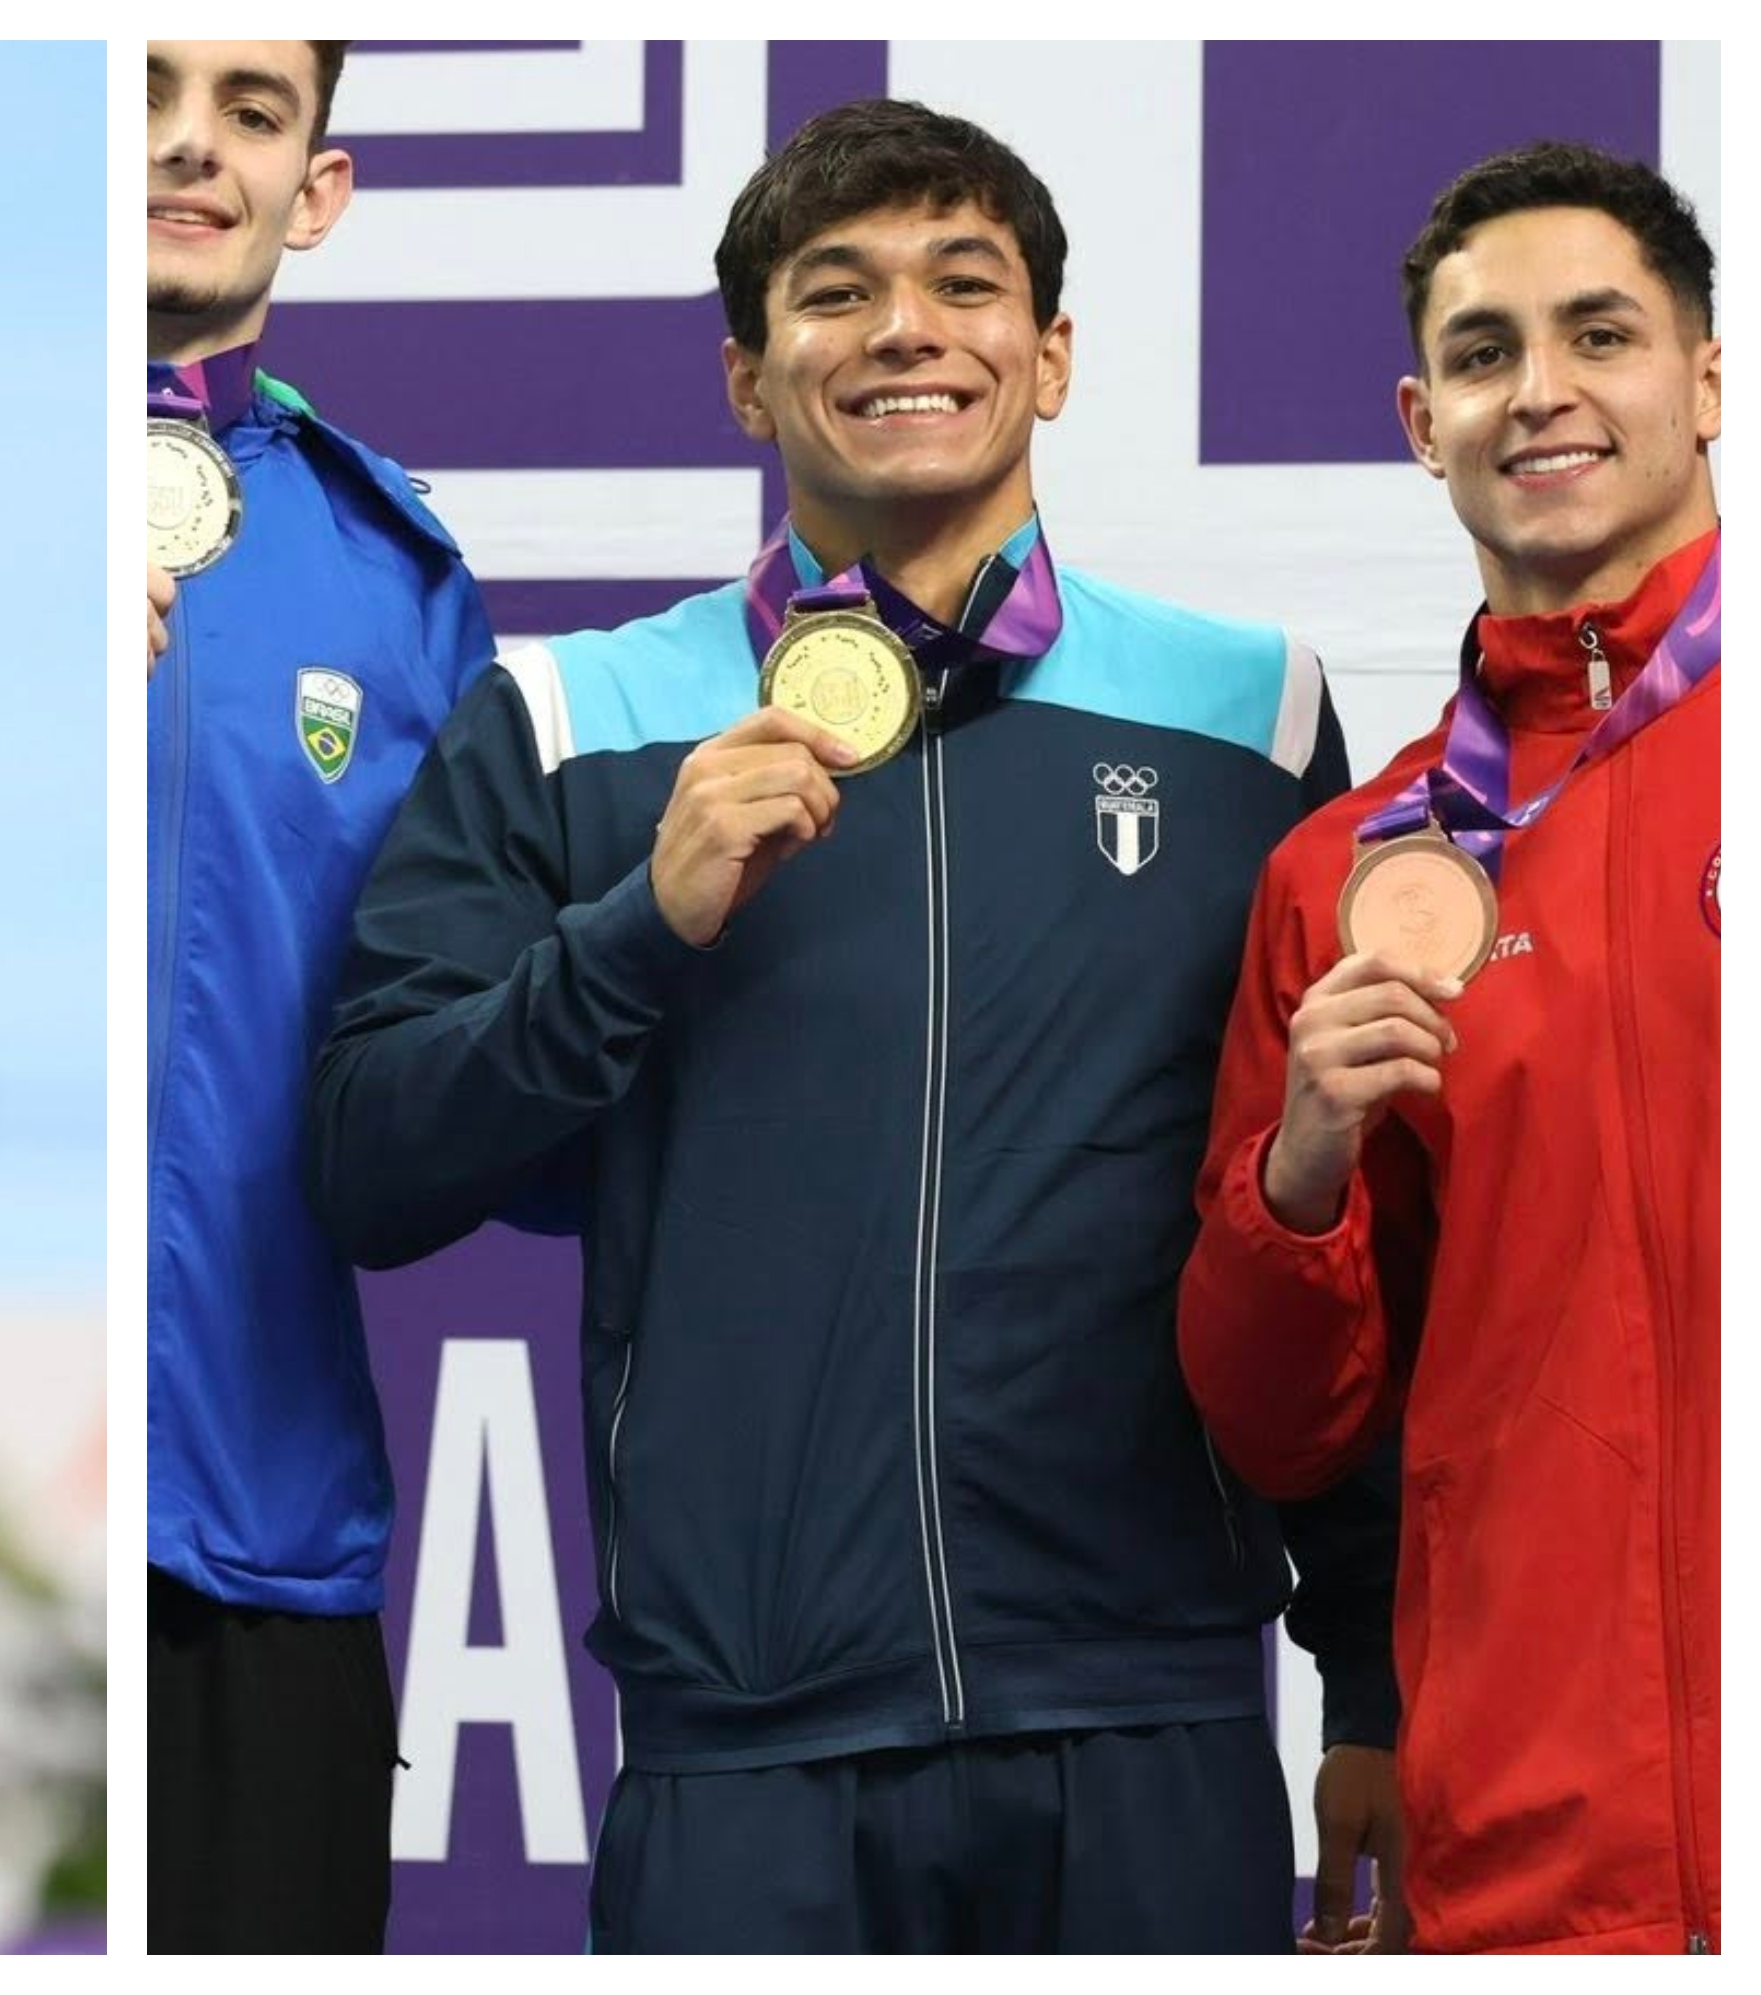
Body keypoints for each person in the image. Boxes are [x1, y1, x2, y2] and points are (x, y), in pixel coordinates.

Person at [308, 99, 1398, 1951]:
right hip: (748, 1742)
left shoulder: (1252, 716)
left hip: (1149, 1719)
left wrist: (1367, 1669)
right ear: (747, 378)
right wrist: (635, 931)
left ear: (1050, 355)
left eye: (964, 284)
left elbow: (1340, 1212)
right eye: (836, 294)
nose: (904, 329)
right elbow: (370, 1161)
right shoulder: (576, 721)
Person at [1179, 141, 1719, 1956]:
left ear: (1708, 377)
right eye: (1486, 355)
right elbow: (1279, 1423)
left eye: (1601, 333)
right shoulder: (1355, 873)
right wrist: (1300, 1168)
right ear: (1426, 420)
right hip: (1538, 1830)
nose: (1542, 390)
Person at [144, 38, 494, 1953]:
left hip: (267, 1539)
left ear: (317, 189)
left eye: (251, 109)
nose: (191, 139)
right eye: (140, 87)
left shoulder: (399, 577)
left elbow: (448, 1069)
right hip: (2, 1510)